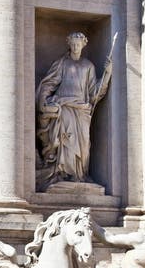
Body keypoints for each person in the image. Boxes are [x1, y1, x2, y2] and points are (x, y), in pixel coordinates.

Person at [36, 32, 111, 190]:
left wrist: (107, 74)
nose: (76, 47)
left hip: (82, 111)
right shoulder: (62, 63)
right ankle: (64, 174)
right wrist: (43, 100)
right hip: (65, 108)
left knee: (83, 145)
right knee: (66, 142)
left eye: (79, 44)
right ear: (69, 44)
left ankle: (79, 174)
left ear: (84, 45)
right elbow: (49, 84)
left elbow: (94, 93)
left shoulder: (88, 66)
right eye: (73, 44)